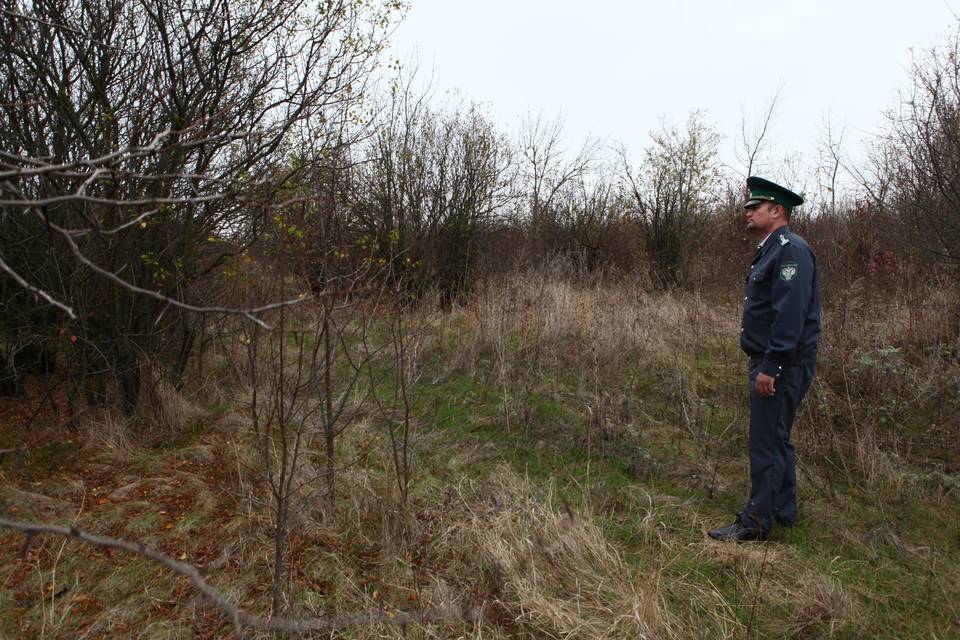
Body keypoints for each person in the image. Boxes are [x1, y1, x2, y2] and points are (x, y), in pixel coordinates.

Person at [708, 176, 821, 542]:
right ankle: (782, 509)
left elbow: (789, 314)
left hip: (779, 363)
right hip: (773, 359)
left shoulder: (790, 249)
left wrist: (772, 365)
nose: (748, 213)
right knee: (777, 437)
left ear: (777, 210)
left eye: (755, 208)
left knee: (765, 442)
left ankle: (754, 523)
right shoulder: (773, 248)